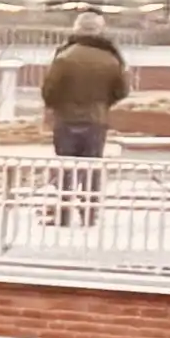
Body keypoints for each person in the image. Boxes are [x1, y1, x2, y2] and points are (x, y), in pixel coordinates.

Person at [41, 16, 127, 227]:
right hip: (96, 120)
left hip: (66, 119)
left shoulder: (64, 57)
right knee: (92, 167)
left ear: (76, 29)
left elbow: (48, 90)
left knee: (65, 167)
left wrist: (58, 106)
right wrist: (103, 103)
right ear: (100, 31)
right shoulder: (111, 58)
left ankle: (63, 212)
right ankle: (89, 213)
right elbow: (122, 90)